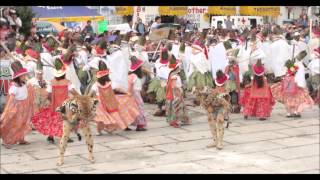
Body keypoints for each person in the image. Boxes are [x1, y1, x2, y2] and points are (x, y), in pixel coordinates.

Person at [31, 58, 78, 143]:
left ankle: (51, 136)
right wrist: (80, 97)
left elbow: (47, 94)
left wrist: (42, 103)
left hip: (54, 105)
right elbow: (73, 92)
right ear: (64, 74)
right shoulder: (67, 82)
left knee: (54, 121)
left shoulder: (52, 82)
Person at [89, 60, 139, 134]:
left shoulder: (96, 84)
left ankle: (99, 131)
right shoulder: (110, 83)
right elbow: (117, 89)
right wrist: (126, 92)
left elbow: (90, 94)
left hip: (100, 104)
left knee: (101, 119)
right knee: (113, 116)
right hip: (111, 102)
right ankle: (109, 129)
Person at [0, 61, 35, 149]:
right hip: (17, 108)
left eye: (25, 75)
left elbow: (28, 92)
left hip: (24, 107)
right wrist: (7, 111)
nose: (25, 77)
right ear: (18, 77)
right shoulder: (14, 87)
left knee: (23, 123)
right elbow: (10, 101)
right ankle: (7, 141)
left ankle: (21, 139)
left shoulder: (23, 84)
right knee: (14, 125)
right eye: (23, 76)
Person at [165, 55, 190, 128]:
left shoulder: (173, 74)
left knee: (178, 106)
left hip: (176, 93)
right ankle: (175, 121)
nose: (179, 68)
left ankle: (180, 119)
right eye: (178, 67)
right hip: (175, 94)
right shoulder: (174, 76)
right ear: (176, 68)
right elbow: (174, 86)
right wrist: (180, 89)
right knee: (176, 107)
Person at [147, 48, 171, 116]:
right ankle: (159, 106)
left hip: (168, 80)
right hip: (159, 79)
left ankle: (161, 107)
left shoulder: (170, 62)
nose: (161, 55)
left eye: (162, 53)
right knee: (155, 87)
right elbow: (156, 71)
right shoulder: (157, 61)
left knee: (161, 89)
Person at [128, 56, 147, 131]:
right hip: (136, 94)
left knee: (131, 109)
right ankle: (140, 125)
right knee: (140, 108)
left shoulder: (130, 76)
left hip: (131, 94)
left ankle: (128, 123)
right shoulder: (136, 78)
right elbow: (137, 88)